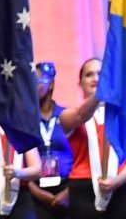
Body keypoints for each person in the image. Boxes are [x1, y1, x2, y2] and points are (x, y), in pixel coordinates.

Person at [59, 58, 126, 218]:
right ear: (80, 83)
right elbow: (80, 116)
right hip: (84, 189)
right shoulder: (68, 114)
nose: (96, 78)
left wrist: (117, 181)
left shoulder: (124, 115)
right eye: (89, 75)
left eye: (100, 74)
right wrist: (102, 92)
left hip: (121, 187)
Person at [28, 62, 73, 218]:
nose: (33, 85)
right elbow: (17, 160)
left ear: (52, 84)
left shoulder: (67, 116)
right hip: (35, 191)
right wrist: (37, 192)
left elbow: (81, 157)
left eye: (38, 80)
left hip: (68, 188)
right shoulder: (26, 121)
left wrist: (69, 192)